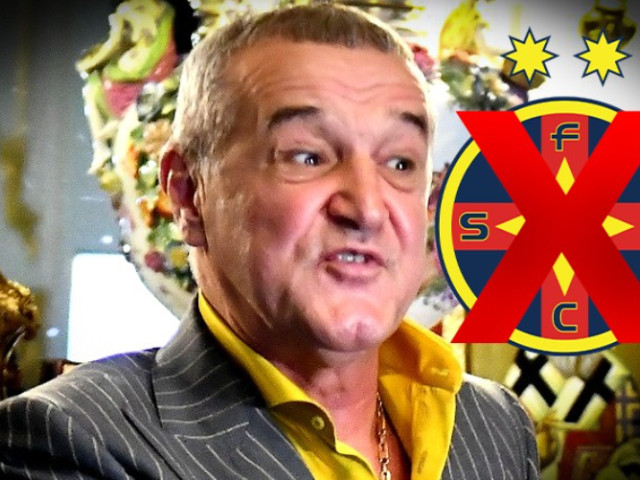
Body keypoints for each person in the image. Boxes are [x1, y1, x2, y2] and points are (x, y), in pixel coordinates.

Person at [0, 4, 539, 479]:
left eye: (400, 162)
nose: (369, 208)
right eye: (308, 156)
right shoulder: (71, 439)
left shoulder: (495, 426)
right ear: (188, 194)